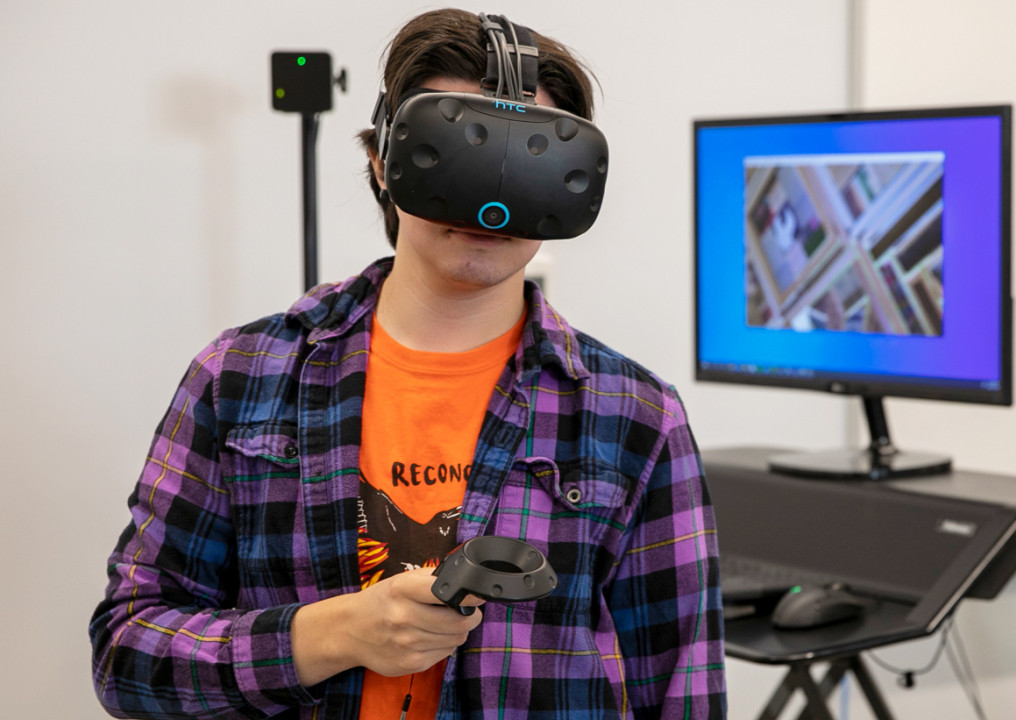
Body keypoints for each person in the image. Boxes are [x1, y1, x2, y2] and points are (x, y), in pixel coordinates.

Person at [89, 9, 726, 720]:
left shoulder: (634, 417)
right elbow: (127, 655)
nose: (490, 202)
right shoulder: (240, 379)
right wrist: (330, 635)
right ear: (381, 160)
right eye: (457, 152)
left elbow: (683, 692)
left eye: (528, 163)